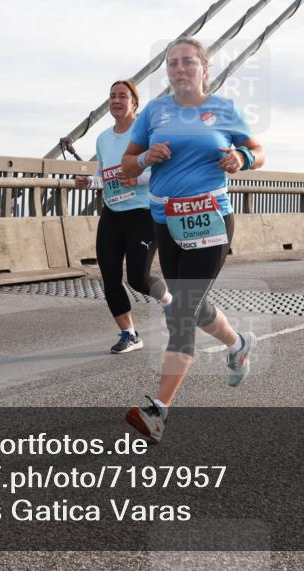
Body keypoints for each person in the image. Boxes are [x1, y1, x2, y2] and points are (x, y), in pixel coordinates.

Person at [120, 36, 266, 443]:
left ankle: (158, 412)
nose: (180, 69)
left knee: (181, 310)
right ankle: (238, 344)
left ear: (204, 69)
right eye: (172, 64)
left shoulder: (224, 110)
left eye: (188, 62)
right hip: (167, 223)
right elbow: (128, 166)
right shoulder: (154, 112)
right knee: (194, 305)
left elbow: (257, 150)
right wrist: (147, 157)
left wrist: (242, 158)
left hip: (212, 221)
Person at [75, 81, 172, 354]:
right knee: (109, 275)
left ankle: (169, 301)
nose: (116, 100)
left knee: (138, 279)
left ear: (134, 103)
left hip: (142, 212)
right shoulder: (103, 138)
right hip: (113, 213)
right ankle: (128, 333)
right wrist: (88, 183)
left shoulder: (147, 134)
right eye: (112, 96)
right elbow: (103, 176)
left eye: (122, 96)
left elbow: (162, 172)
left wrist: (137, 179)